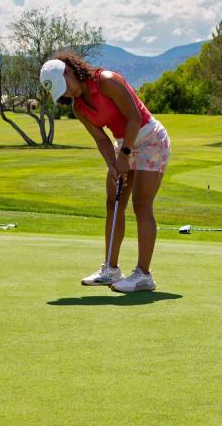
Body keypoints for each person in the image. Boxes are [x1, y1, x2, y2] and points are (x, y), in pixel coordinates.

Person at [40, 51, 172, 293]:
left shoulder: (108, 81)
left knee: (141, 206)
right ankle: (111, 269)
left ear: (70, 71)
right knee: (113, 202)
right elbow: (101, 139)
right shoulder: (79, 108)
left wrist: (125, 155)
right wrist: (113, 165)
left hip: (150, 139)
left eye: (65, 86)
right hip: (124, 144)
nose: (67, 93)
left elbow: (133, 117)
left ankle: (144, 275)